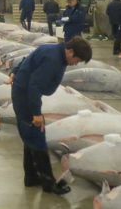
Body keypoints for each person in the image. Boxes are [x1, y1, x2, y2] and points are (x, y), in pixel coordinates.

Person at [11, 37, 92, 195]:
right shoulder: (53, 60)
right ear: (70, 51)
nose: (76, 63)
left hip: (23, 92)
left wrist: (15, 71)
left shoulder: (52, 50)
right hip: (26, 96)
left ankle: (31, 177)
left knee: (30, 137)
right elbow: (34, 86)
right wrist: (36, 113)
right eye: (77, 59)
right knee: (38, 136)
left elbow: (28, 59)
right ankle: (49, 183)